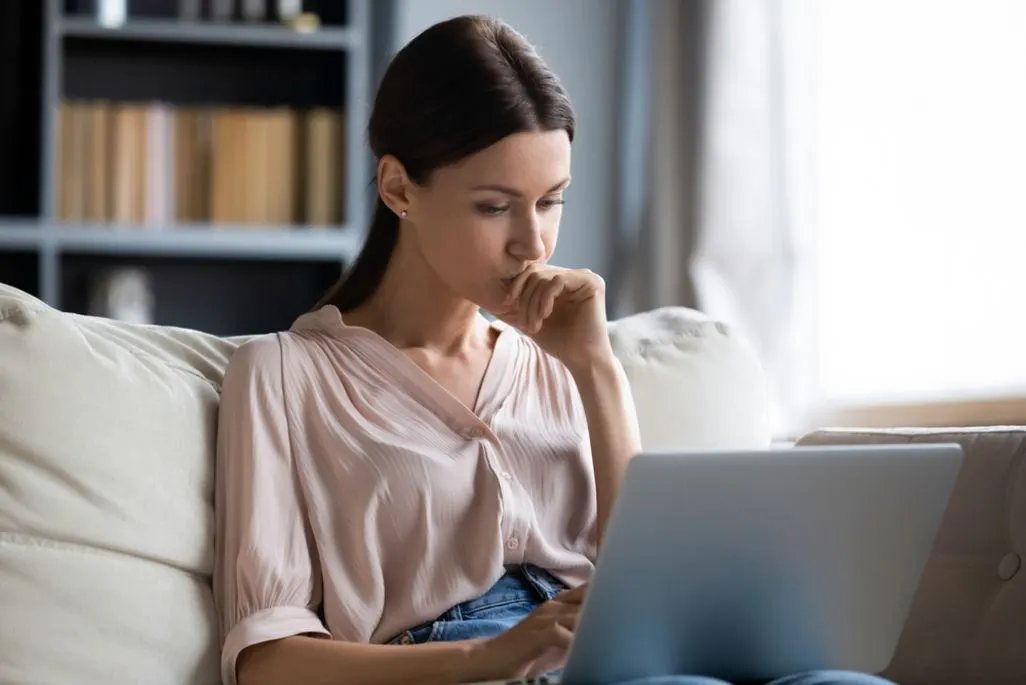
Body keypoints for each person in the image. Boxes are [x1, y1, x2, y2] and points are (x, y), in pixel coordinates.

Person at [212, 14, 897, 685]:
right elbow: (268, 660)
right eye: (494, 205)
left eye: (551, 201)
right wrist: (495, 655)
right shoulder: (281, 374)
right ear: (398, 188)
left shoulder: (559, 359)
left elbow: (650, 585)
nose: (533, 243)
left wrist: (596, 368)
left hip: (605, 658)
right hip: (456, 665)